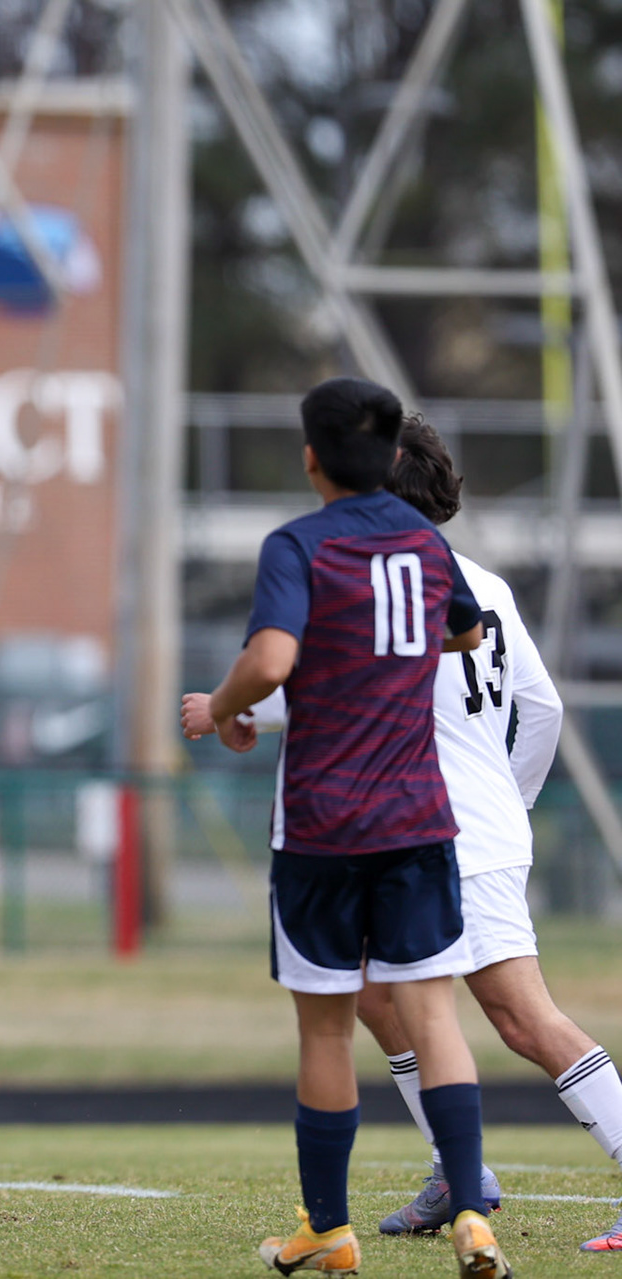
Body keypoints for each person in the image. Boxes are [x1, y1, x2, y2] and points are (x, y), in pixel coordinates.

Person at [186, 415, 622, 1254]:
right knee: (382, 998)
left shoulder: (391, 578)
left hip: (437, 827)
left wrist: (224, 708)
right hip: (452, 824)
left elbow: (331, 687)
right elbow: (545, 707)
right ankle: (460, 1176)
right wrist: (512, 799)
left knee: (521, 1017)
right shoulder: (480, 583)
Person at [182, 377, 508, 1279]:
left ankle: (328, 1229)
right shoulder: (425, 544)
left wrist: (223, 705)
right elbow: (466, 633)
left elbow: (274, 655)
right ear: (393, 456)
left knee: (326, 1031)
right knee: (433, 1013)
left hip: (324, 825)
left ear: (312, 457)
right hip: (418, 819)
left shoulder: (298, 544)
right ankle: (474, 1219)